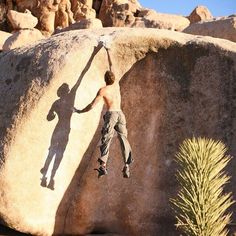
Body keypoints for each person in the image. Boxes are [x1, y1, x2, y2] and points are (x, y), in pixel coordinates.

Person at [74, 70, 133, 178]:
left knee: (106, 139)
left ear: (105, 79)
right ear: (114, 79)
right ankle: (126, 165)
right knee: (124, 139)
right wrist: (108, 52)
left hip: (111, 115)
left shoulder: (103, 90)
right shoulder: (117, 86)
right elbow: (112, 65)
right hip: (121, 114)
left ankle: (103, 166)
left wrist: (80, 111)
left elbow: (92, 105)